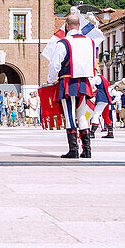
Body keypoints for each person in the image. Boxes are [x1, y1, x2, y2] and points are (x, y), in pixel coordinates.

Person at [44, 13, 97, 159]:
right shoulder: (90, 42)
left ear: (67, 26)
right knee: (82, 116)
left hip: (68, 82)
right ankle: (87, 150)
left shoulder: (64, 42)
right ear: (79, 25)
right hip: (84, 82)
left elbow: (55, 65)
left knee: (69, 116)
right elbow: (92, 64)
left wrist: (51, 80)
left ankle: (73, 149)